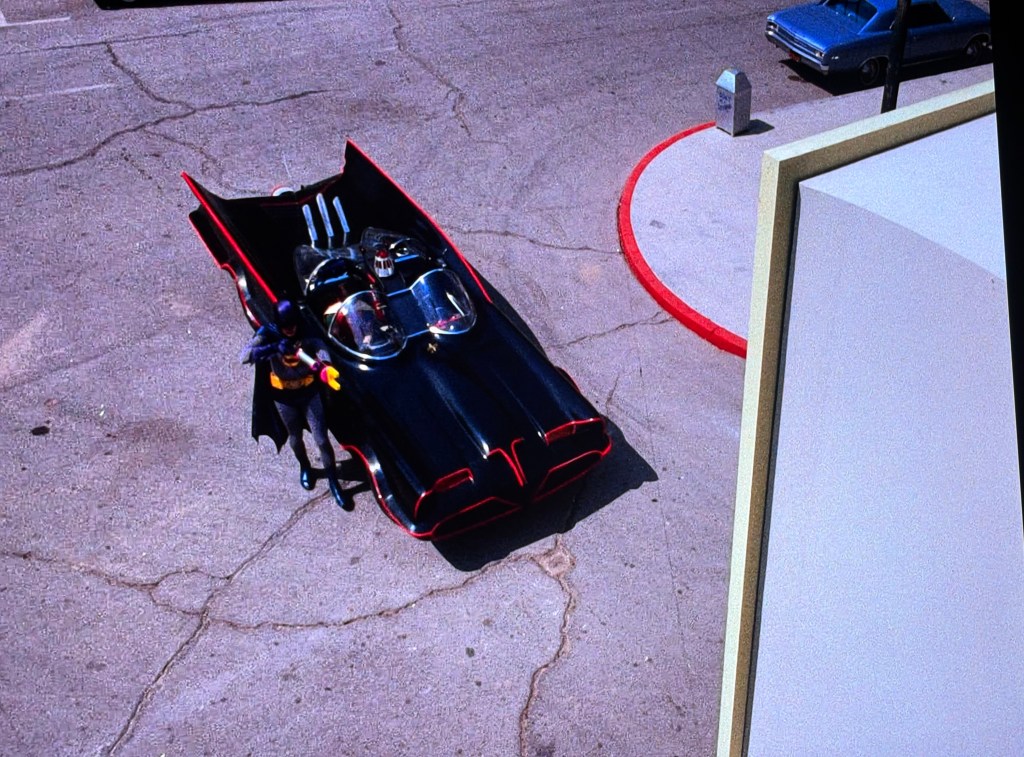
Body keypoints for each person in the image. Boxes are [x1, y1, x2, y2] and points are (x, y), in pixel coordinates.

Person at [240, 299, 353, 511]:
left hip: (309, 392)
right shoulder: (269, 332)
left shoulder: (304, 328)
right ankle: (305, 467)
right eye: (286, 327)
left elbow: (320, 348)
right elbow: (244, 356)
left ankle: (333, 481)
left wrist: (325, 365)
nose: (291, 330)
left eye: (293, 325)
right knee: (295, 437)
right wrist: (272, 347)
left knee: (321, 438)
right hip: (283, 396)